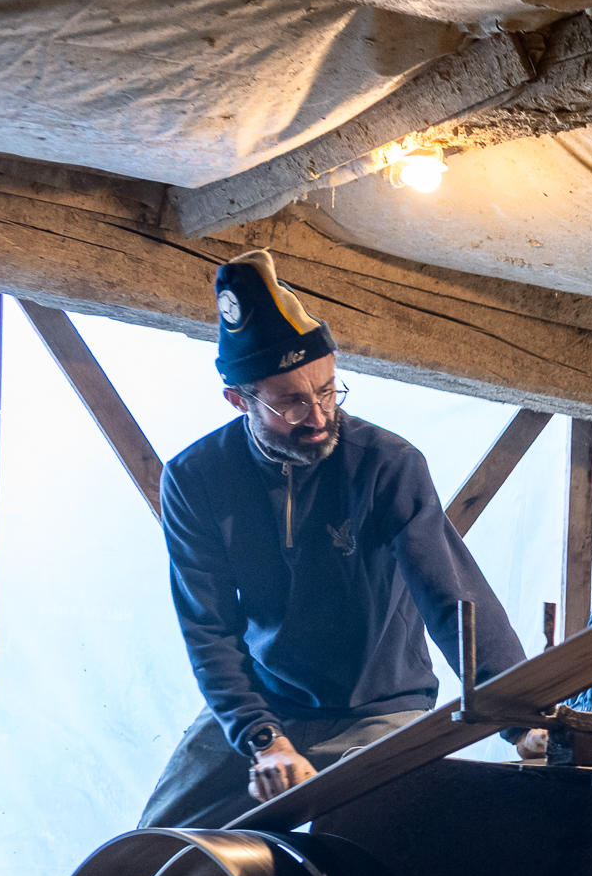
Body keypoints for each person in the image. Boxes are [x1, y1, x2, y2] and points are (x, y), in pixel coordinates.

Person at [138, 249, 537, 830]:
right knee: (150, 858)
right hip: (270, 702)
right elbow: (209, 627)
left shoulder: (387, 465)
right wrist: (260, 736)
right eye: (291, 402)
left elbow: (451, 597)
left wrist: (521, 717)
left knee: (369, 854)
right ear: (237, 399)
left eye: (328, 390)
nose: (320, 415)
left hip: (381, 709)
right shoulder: (196, 479)